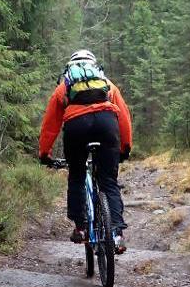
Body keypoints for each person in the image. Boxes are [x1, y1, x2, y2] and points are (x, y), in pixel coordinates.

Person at [39, 49, 132, 253]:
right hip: (107, 126)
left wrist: (44, 153)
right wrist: (125, 147)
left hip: (76, 127)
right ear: (94, 66)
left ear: (71, 68)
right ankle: (116, 235)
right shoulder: (108, 84)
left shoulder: (64, 87)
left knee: (77, 176)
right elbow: (123, 117)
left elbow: (50, 124)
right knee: (108, 181)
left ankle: (80, 228)